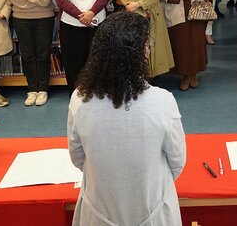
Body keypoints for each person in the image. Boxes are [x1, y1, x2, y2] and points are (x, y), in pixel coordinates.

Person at [68, 11, 186, 226]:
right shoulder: (162, 101)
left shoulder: (79, 98)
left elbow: (77, 156)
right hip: (153, 210)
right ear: (142, 55)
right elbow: (177, 161)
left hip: (98, 210)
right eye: (147, 45)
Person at [55, 0, 109, 95]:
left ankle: (97, 94)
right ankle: (77, 96)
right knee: (74, 64)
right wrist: (81, 16)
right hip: (71, 27)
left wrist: (91, 13)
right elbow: (61, 0)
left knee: (97, 62)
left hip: (97, 25)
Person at [7, 0, 55, 106]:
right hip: (21, 18)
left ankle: (43, 89)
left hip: (44, 17)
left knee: (43, 54)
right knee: (27, 55)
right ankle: (32, 89)